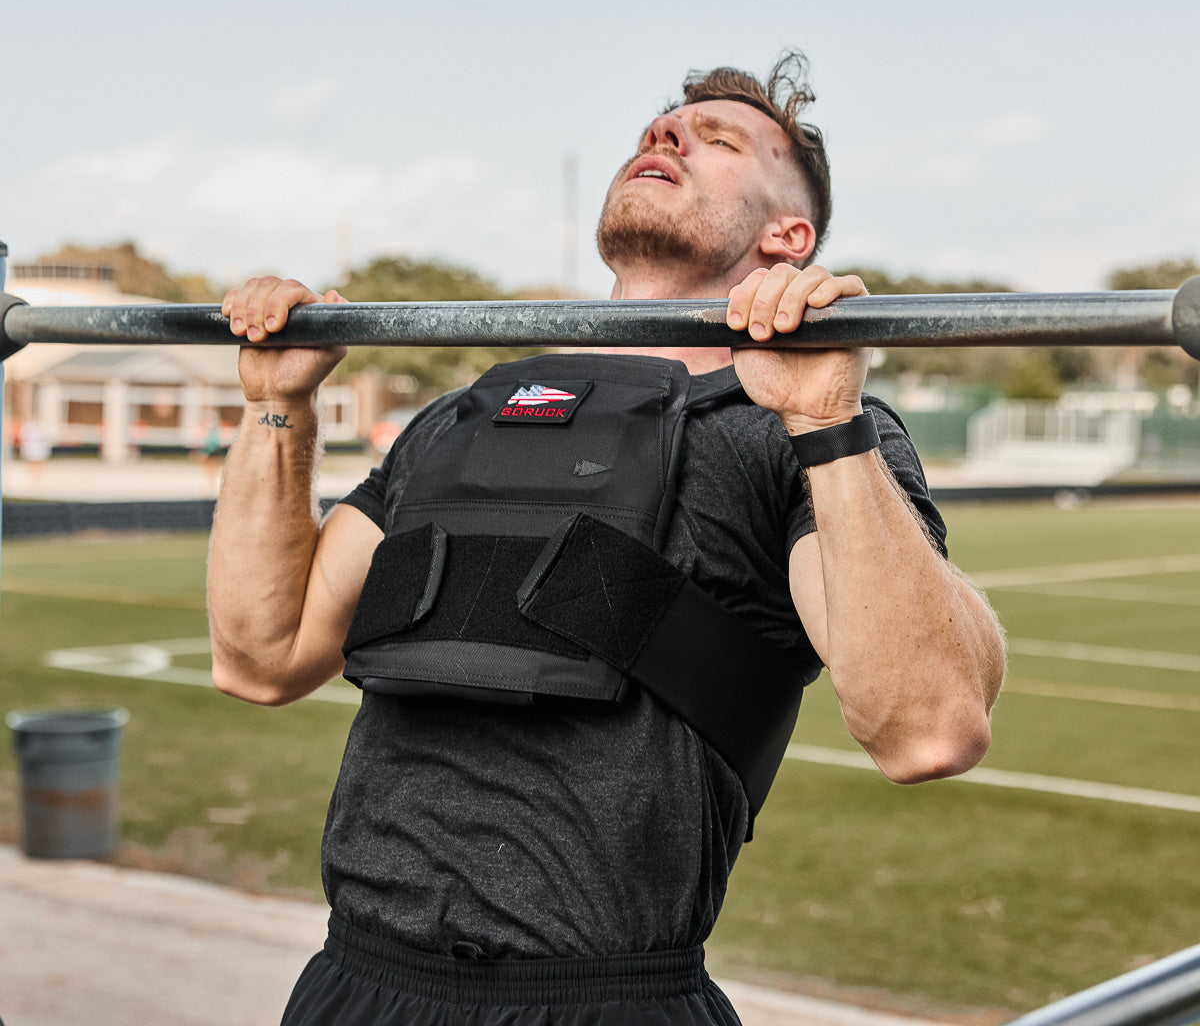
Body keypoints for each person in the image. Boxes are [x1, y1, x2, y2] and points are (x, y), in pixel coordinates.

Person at [208, 50, 1005, 1026]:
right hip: (353, 989)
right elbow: (262, 653)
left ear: (787, 238)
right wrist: (276, 408)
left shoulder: (799, 434)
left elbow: (930, 727)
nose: (665, 135)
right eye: (658, 129)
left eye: (717, 139)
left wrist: (826, 423)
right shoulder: (462, 419)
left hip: (598, 1004)